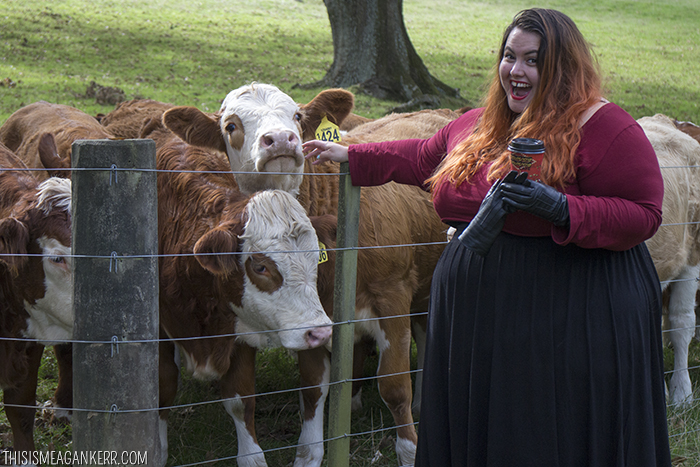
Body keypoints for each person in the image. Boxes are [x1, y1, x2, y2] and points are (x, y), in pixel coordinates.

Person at [303, 7, 672, 467]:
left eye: (534, 60)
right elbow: (423, 158)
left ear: (563, 68)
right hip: (482, 317)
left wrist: (561, 208)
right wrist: (352, 155)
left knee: (545, 431)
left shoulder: (606, 128)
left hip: (568, 313)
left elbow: (643, 214)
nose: (516, 71)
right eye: (509, 56)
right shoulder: (480, 123)